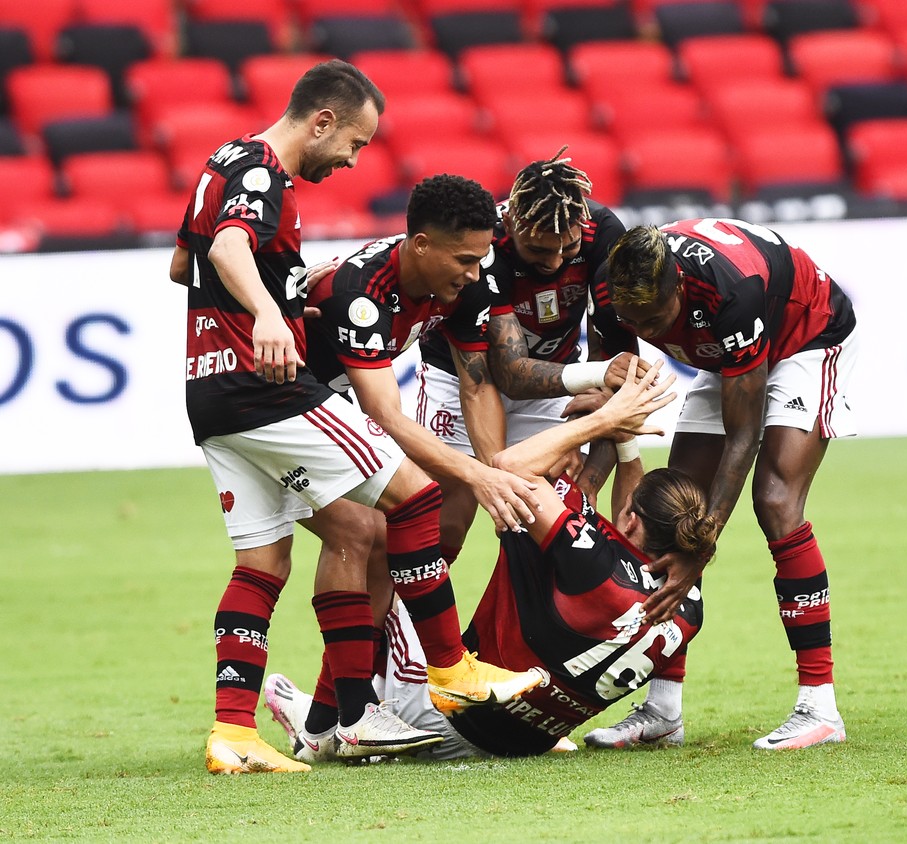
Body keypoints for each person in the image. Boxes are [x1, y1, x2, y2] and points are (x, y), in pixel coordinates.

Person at [169, 60, 543, 774]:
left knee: (270, 560)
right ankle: (447, 672)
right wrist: (271, 310)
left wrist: (267, 286)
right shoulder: (261, 174)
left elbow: (182, 258)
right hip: (266, 387)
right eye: (356, 143)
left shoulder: (220, 162)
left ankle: (237, 734)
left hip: (210, 391)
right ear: (323, 120)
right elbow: (223, 245)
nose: (353, 158)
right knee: (417, 494)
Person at [266, 358, 720, 760]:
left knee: (401, 565)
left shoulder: (589, 559)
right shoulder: (689, 600)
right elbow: (622, 505)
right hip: (532, 741)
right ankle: (322, 721)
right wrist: (624, 443)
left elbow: (505, 467)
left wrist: (600, 424)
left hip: (450, 716)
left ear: (632, 520)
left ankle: (324, 724)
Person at [264, 173, 564, 763]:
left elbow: (477, 387)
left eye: (482, 259)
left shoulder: (462, 284)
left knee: (384, 533)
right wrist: (475, 477)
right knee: (370, 528)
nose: (477, 274)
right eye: (465, 259)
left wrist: (493, 468)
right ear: (420, 244)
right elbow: (382, 414)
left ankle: (327, 722)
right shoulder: (361, 290)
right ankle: (369, 707)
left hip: (331, 403)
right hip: (276, 404)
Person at [586, 218, 858, 751]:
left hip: (807, 337)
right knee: (669, 516)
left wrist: (701, 549)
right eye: (632, 319)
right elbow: (617, 401)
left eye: (655, 318)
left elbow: (743, 435)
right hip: (727, 351)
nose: (644, 330)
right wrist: (591, 480)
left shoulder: (731, 291)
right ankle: (663, 711)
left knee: (776, 500)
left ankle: (819, 707)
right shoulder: (612, 287)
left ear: (680, 290)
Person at [417, 148, 641, 563]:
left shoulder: (603, 232)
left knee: (563, 514)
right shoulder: (487, 246)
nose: (554, 262)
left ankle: (539, 625)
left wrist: (584, 434)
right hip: (463, 375)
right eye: (538, 251)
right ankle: (403, 620)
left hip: (554, 374)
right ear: (512, 223)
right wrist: (595, 377)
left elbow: (618, 362)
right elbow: (510, 373)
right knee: (446, 517)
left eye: (567, 248)